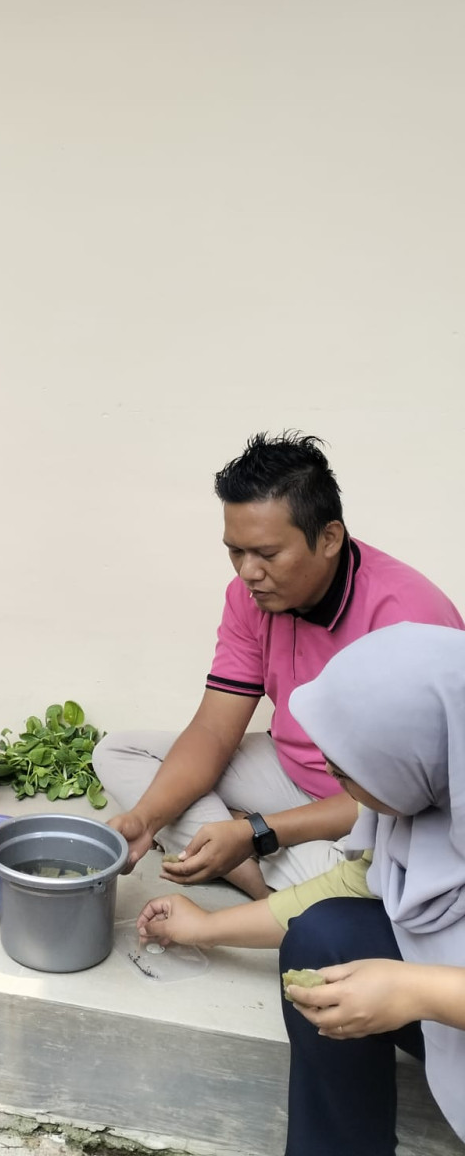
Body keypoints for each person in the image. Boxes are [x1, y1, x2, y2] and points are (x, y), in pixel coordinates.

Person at [136, 622, 465, 1156]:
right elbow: (347, 887)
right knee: (325, 936)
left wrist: (416, 990)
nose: (334, 782)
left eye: (349, 771)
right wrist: (206, 927)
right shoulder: (427, 801)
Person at [94, 432, 461, 898]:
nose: (247, 572)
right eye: (235, 551)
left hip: (377, 808)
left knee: (391, 884)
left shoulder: (409, 619)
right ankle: (261, 881)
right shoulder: (251, 597)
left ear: (329, 537)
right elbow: (213, 731)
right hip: (289, 771)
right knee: (120, 753)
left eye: (267, 554)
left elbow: (411, 799)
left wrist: (259, 832)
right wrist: (145, 821)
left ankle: (254, 868)